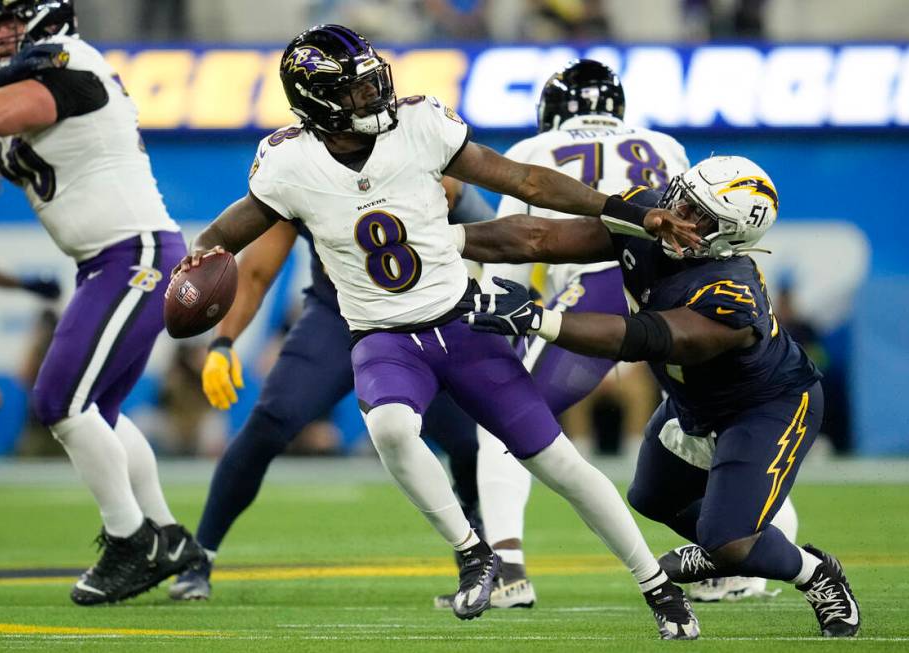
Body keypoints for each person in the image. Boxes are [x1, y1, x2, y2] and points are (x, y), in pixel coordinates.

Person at [173, 24, 702, 639]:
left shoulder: (420, 125)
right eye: (356, 89)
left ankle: (657, 587)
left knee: (560, 464)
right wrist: (198, 264)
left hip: (464, 321)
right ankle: (474, 551)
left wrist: (629, 211)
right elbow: (225, 237)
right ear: (318, 102)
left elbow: (525, 182)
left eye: (374, 80)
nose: (375, 95)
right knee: (391, 427)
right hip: (384, 338)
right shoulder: (289, 162)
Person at [456, 156, 861, 638]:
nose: (676, 213)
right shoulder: (653, 214)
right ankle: (725, 542)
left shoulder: (733, 290)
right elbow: (539, 238)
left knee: (730, 543)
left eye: (697, 215)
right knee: (650, 496)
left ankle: (814, 574)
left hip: (766, 406)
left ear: (726, 236)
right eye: (682, 196)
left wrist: (538, 318)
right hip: (693, 401)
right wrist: (445, 240)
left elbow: (645, 337)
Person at [467, 58, 799, 609]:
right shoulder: (662, 144)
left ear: (552, 110)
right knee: (719, 425)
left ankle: (506, 570)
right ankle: (752, 564)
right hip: (678, 290)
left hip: (598, 279)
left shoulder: (532, 150)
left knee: (503, 415)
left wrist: (508, 319)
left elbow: (518, 253)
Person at [169, 177, 497, 601]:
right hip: (336, 318)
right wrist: (223, 341)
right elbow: (255, 271)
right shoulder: (295, 168)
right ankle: (201, 558)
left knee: (469, 442)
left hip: (416, 319)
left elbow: (489, 234)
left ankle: (479, 555)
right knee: (270, 422)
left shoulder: (415, 146)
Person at [0, 0, 203, 605]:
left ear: (44, 21)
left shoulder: (69, 66)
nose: (1, 32)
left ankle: (129, 540)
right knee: (95, 413)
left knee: (58, 400)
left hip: (132, 255)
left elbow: (12, 110)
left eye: (9, 19)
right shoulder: (28, 80)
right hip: (107, 261)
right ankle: (165, 534)